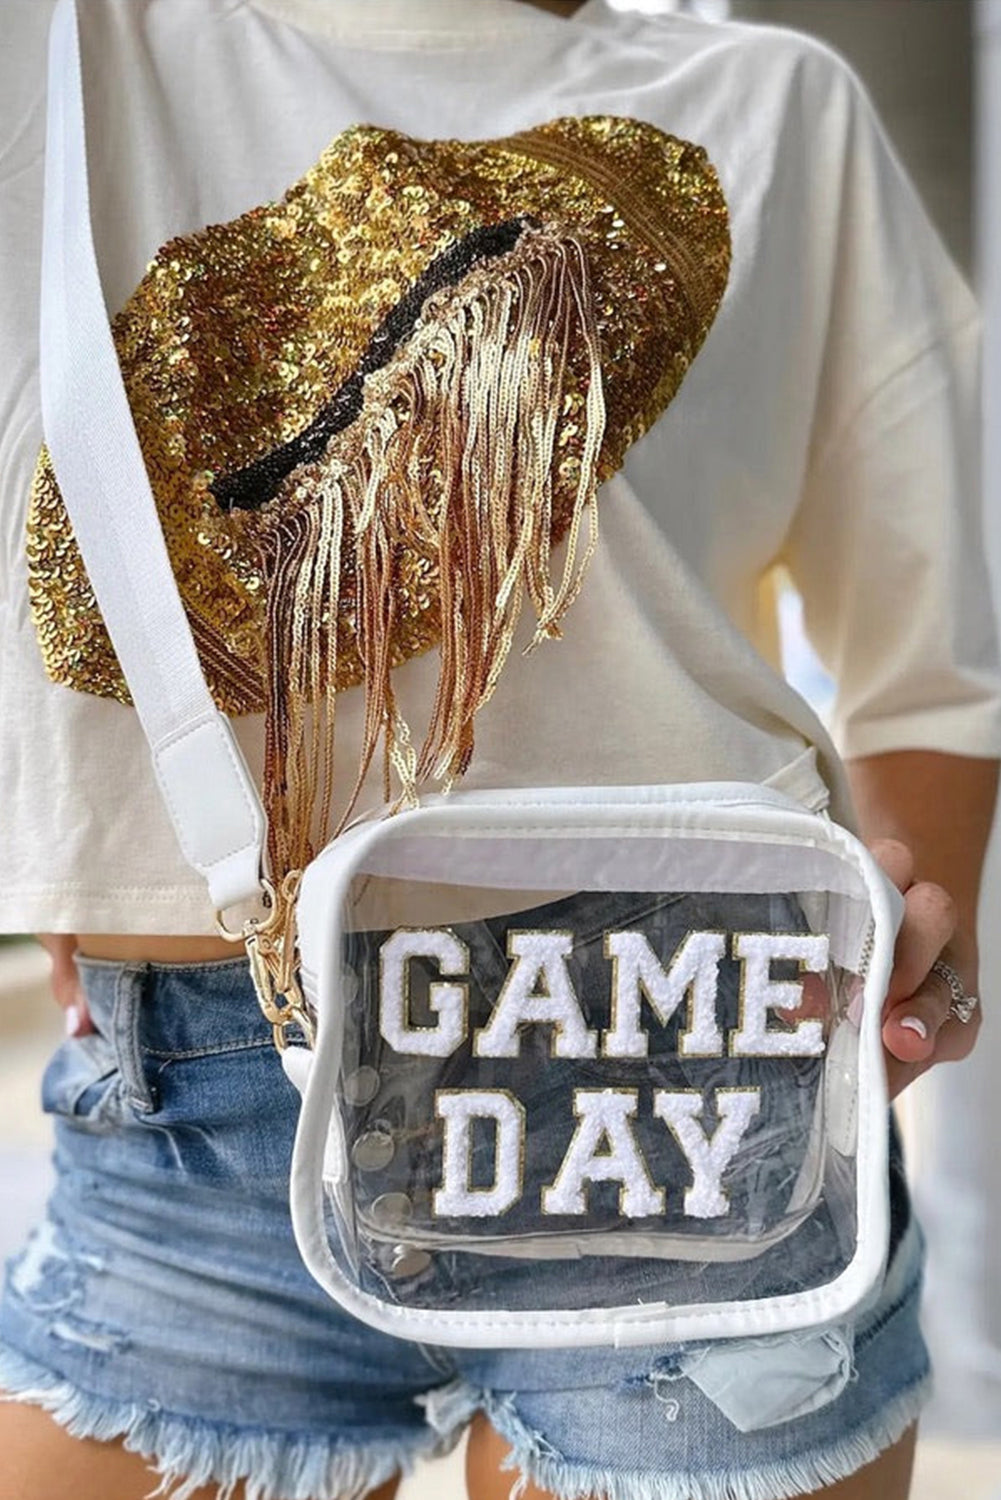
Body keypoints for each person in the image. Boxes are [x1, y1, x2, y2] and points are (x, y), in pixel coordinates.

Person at [0, 1, 997, 1498]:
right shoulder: (69, 50)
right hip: (195, 1092)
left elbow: (938, 666)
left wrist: (915, 963)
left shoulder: (770, 103)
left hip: (688, 1057)